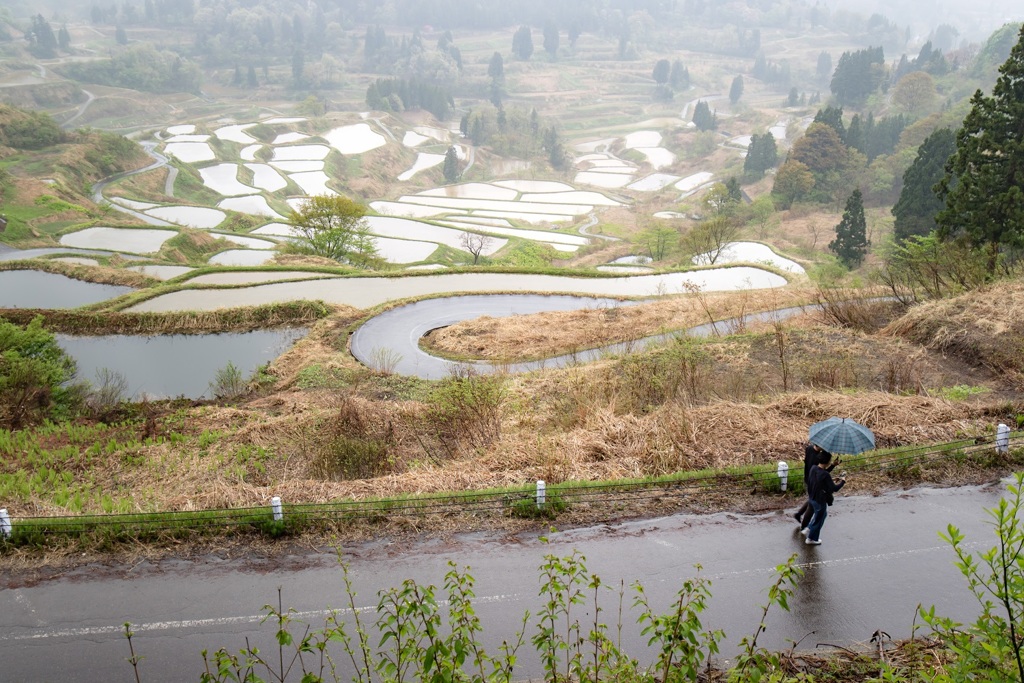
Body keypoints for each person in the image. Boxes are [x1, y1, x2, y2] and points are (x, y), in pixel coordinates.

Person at [802, 452, 845, 545]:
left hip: (812, 497)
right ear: (828, 462)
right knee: (819, 519)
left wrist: (833, 467)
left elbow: (821, 477)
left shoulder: (813, 468)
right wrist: (843, 481)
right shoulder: (825, 475)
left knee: (822, 515)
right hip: (820, 500)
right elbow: (834, 489)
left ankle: (808, 528)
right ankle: (811, 539)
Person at [793, 443, 840, 530]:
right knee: (812, 504)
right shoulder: (816, 459)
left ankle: (799, 515)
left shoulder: (809, 448)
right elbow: (821, 474)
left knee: (811, 499)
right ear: (819, 445)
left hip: (808, 478)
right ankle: (804, 526)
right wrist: (832, 466)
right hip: (812, 481)